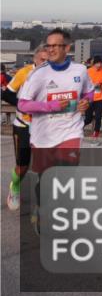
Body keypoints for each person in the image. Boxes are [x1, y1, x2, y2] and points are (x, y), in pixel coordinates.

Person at [17, 29, 93, 229]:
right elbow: (23, 105)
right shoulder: (38, 74)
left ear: (67, 48)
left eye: (55, 46)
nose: (50, 50)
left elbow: (89, 92)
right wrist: (51, 106)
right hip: (43, 135)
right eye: (48, 45)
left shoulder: (80, 71)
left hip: (71, 130)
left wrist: (86, 102)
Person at [2, 46, 47, 211]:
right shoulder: (24, 73)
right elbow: (6, 94)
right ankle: (15, 186)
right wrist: (23, 106)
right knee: (23, 166)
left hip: (45, 128)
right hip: (23, 126)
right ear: (35, 59)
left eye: (48, 60)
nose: (46, 63)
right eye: (42, 60)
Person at [85, 56, 102, 142]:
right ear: (94, 63)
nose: (99, 65)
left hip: (99, 98)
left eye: (100, 63)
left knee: (98, 117)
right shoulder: (88, 71)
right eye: (98, 63)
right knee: (88, 119)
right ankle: (79, 127)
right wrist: (93, 85)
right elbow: (84, 84)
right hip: (89, 98)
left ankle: (96, 134)